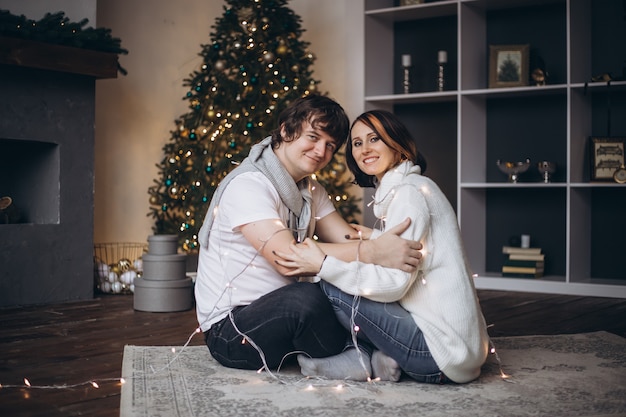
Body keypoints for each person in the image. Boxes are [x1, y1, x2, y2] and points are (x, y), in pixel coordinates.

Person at [194, 96, 423, 372]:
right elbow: (287, 258)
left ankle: (361, 355)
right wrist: (375, 251)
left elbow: (347, 239)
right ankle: (362, 353)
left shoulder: (310, 191)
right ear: (286, 131)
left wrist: (387, 243)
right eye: (313, 137)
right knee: (307, 298)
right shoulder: (249, 185)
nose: (320, 151)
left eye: (330, 145)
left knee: (343, 282)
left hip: (283, 322)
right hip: (233, 332)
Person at [275, 109, 490, 384]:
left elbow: (395, 284)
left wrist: (323, 264)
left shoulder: (409, 195)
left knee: (330, 283)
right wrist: (376, 240)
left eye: (374, 139)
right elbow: (421, 256)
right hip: (461, 352)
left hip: (439, 356)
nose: (365, 149)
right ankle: (375, 358)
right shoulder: (416, 187)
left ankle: (359, 356)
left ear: (397, 144)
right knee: (346, 276)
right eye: (357, 143)